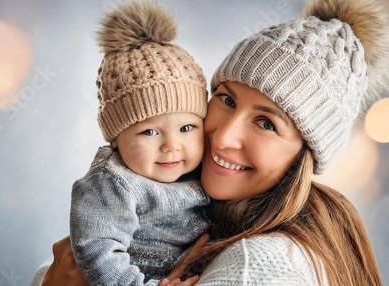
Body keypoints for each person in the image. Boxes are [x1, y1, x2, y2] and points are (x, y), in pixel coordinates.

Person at [36, 0, 388, 285]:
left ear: (306, 154)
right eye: (227, 100)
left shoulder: (258, 265)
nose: (222, 136)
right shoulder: (203, 209)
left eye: (266, 123)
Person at [37, 2, 212, 286]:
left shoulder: (204, 170)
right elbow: (97, 250)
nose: (171, 146)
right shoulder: (113, 181)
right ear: (116, 137)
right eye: (150, 132)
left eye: (186, 128)